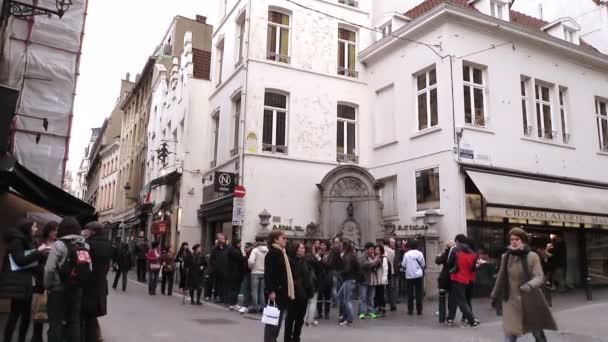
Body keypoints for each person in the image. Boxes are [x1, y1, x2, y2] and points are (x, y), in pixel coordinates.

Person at [491, 228, 557, 341]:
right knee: (510, 332)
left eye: (517, 239)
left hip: (530, 297)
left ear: (523, 241)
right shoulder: (506, 257)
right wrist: (494, 295)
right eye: (512, 239)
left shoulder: (532, 256)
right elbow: (501, 277)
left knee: (536, 330)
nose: (514, 242)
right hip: (510, 299)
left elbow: (539, 276)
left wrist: (529, 285)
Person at [0, 219, 48, 342]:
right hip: (18, 284)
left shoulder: (29, 241)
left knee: (26, 316)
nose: (36, 229)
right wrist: (38, 252)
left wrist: (42, 255)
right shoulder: (17, 241)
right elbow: (20, 261)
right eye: (34, 227)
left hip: (26, 283)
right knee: (15, 315)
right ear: (27, 228)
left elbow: (31, 260)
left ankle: (21, 339)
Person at [44, 217, 89, 342]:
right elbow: (88, 267)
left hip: (58, 290)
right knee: (74, 322)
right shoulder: (85, 245)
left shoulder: (58, 245)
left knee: (55, 323)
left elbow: (49, 269)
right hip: (77, 289)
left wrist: (48, 286)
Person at [81, 222, 112, 342]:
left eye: (87, 230)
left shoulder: (88, 244)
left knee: (86, 315)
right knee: (92, 315)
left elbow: (84, 265)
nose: (85, 232)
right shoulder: (108, 244)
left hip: (88, 284)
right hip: (101, 283)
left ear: (93, 231)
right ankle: (95, 337)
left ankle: (90, 337)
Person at [264, 231, 294, 342]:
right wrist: (271, 291)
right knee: (273, 323)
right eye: (283, 238)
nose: (285, 240)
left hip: (281, 292)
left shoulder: (282, 253)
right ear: (276, 240)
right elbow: (269, 274)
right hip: (276, 292)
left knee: (277, 323)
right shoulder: (273, 253)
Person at [31, 221, 58, 342]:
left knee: (52, 312)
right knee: (40, 310)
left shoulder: (59, 244)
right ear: (48, 230)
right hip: (41, 281)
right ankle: (36, 337)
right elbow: (32, 261)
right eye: (54, 230)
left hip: (54, 282)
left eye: (57, 230)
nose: (56, 232)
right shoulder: (38, 243)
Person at [446, 234, 479, 327]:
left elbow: (449, 262)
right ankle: (465, 318)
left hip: (456, 277)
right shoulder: (473, 253)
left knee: (460, 301)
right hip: (467, 278)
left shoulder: (455, 250)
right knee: (465, 299)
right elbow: (473, 267)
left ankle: (471, 320)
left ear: (457, 241)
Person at [285, 242, 314, 341]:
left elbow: (308, 277)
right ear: (296, 250)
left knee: (300, 318)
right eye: (301, 248)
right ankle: (288, 338)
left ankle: (296, 337)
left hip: (304, 293)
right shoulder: (290, 261)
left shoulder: (305, 261)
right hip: (294, 293)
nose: (304, 250)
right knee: (290, 317)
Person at [401, 239, 426, 315]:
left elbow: (403, 265)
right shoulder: (420, 254)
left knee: (410, 294)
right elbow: (423, 264)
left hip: (409, 276)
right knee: (419, 293)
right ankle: (419, 310)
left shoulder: (407, 254)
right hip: (419, 275)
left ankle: (410, 310)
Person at [338, 240, 359, 327]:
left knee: (347, 300)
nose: (340, 247)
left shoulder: (347, 256)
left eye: (341, 245)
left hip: (349, 279)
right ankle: (345, 315)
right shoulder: (351, 255)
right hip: (350, 279)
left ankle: (349, 319)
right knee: (340, 295)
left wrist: (340, 272)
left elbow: (347, 269)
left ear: (344, 247)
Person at [358, 242, 380, 320]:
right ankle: (362, 313)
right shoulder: (362, 257)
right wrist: (374, 262)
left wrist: (376, 260)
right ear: (366, 249)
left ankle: (370, 311)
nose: (372, 251)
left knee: (371, 297)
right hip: (364, 279)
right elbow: (363, 265)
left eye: (373, 249)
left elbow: (377, 266)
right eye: (371, 249)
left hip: (372, 280)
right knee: (363, 297)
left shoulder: (373, 257)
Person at [435, 240, 455, 323]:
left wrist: (438, 256)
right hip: (453, 279)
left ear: (446, 247)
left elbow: (437, 261)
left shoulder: (445, 254)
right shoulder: (455, 254)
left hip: (444, 278)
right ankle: (450, 317)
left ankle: (442, 317)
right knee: (452, 299)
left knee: (442, 298)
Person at [304, 241, 323, 327]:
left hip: (305, 282)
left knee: (306, 302)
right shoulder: (314, 259)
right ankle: (310, 320)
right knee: (313, 301)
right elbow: (320, 269)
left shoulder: (303, 258)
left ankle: (304, 319)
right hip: (314, 282)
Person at [248, 237, 268, 313]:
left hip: (255, 272)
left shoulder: (255, 250)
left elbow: (251, 261)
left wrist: (251, 267)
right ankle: (262, 306)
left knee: (254, 291)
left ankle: (255, 307)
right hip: (264, 272)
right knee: (261, 291)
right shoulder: (267, 250)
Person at [210, 234, 229, 303]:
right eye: (220, 238)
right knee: (218, 285)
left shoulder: (228, 248)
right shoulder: (215, 249)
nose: (221, 239)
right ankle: (219, 297)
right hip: (218, 270)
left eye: (223, 238)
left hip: (226, 270)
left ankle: (225, 297)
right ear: (218, 240)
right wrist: (214, 266)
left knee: (225, 285)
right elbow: (212, 259)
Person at [326, 237, 343, 312]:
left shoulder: (332, 251)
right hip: (339, 270)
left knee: (334, 287)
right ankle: (336, 301)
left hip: (334, 270)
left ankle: (335, 301)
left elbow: (329, 261)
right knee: (338, 286)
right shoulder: (341, 251)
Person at [227, 239, 245, 311]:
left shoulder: (232, 250)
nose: (241, 244)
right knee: (235, 289)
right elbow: (240, 259)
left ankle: (232, 303)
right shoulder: (235, 251)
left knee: (233, 288)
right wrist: (245, 257)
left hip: (233, 272)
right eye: (240, 243)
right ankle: (233, 303)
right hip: (236, 272)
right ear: (236, 244)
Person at [316, 240, 332, 320]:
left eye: (323, 245)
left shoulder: (330, 255)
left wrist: (320, 259)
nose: (321, 246)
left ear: (326, 246)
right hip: (320, 278)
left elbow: (329, 266)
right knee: (319, 296)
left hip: (327, 277)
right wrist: (318, 257)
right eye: (321, 245)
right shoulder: (319, 254)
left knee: (327, 296)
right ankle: (319, 313)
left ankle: (327, 313)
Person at [373, 244, 389, 317]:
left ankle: (382, 308)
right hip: (376, 278)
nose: (376, 251)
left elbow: (385, 269)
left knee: (381, 294)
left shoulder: (384, 258)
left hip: (381, 277)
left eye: (378, 250)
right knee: (376, 294)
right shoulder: (374, 257)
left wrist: (384, 279)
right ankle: (377, 308)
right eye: (376, 250)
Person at [240, 242, 254, 313]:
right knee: (249, 289)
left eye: (246, 247)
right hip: (248, 273)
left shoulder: (250, 254)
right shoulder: (247, 254)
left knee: (248, 289)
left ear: (250, 247)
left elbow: (249, 264)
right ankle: (249, 305)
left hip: (249, 273)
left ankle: (246, 305)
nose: (245, 248)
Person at [385, 237, 398, 311]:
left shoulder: (382, 250)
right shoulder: (392, 251)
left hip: (388, 271)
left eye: (394, 242)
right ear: (389, 243)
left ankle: (390, 303)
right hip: (391, 271)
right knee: (391, 288)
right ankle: (392, 304)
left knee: (389, 288)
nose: (394, 243)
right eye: (392, 242)